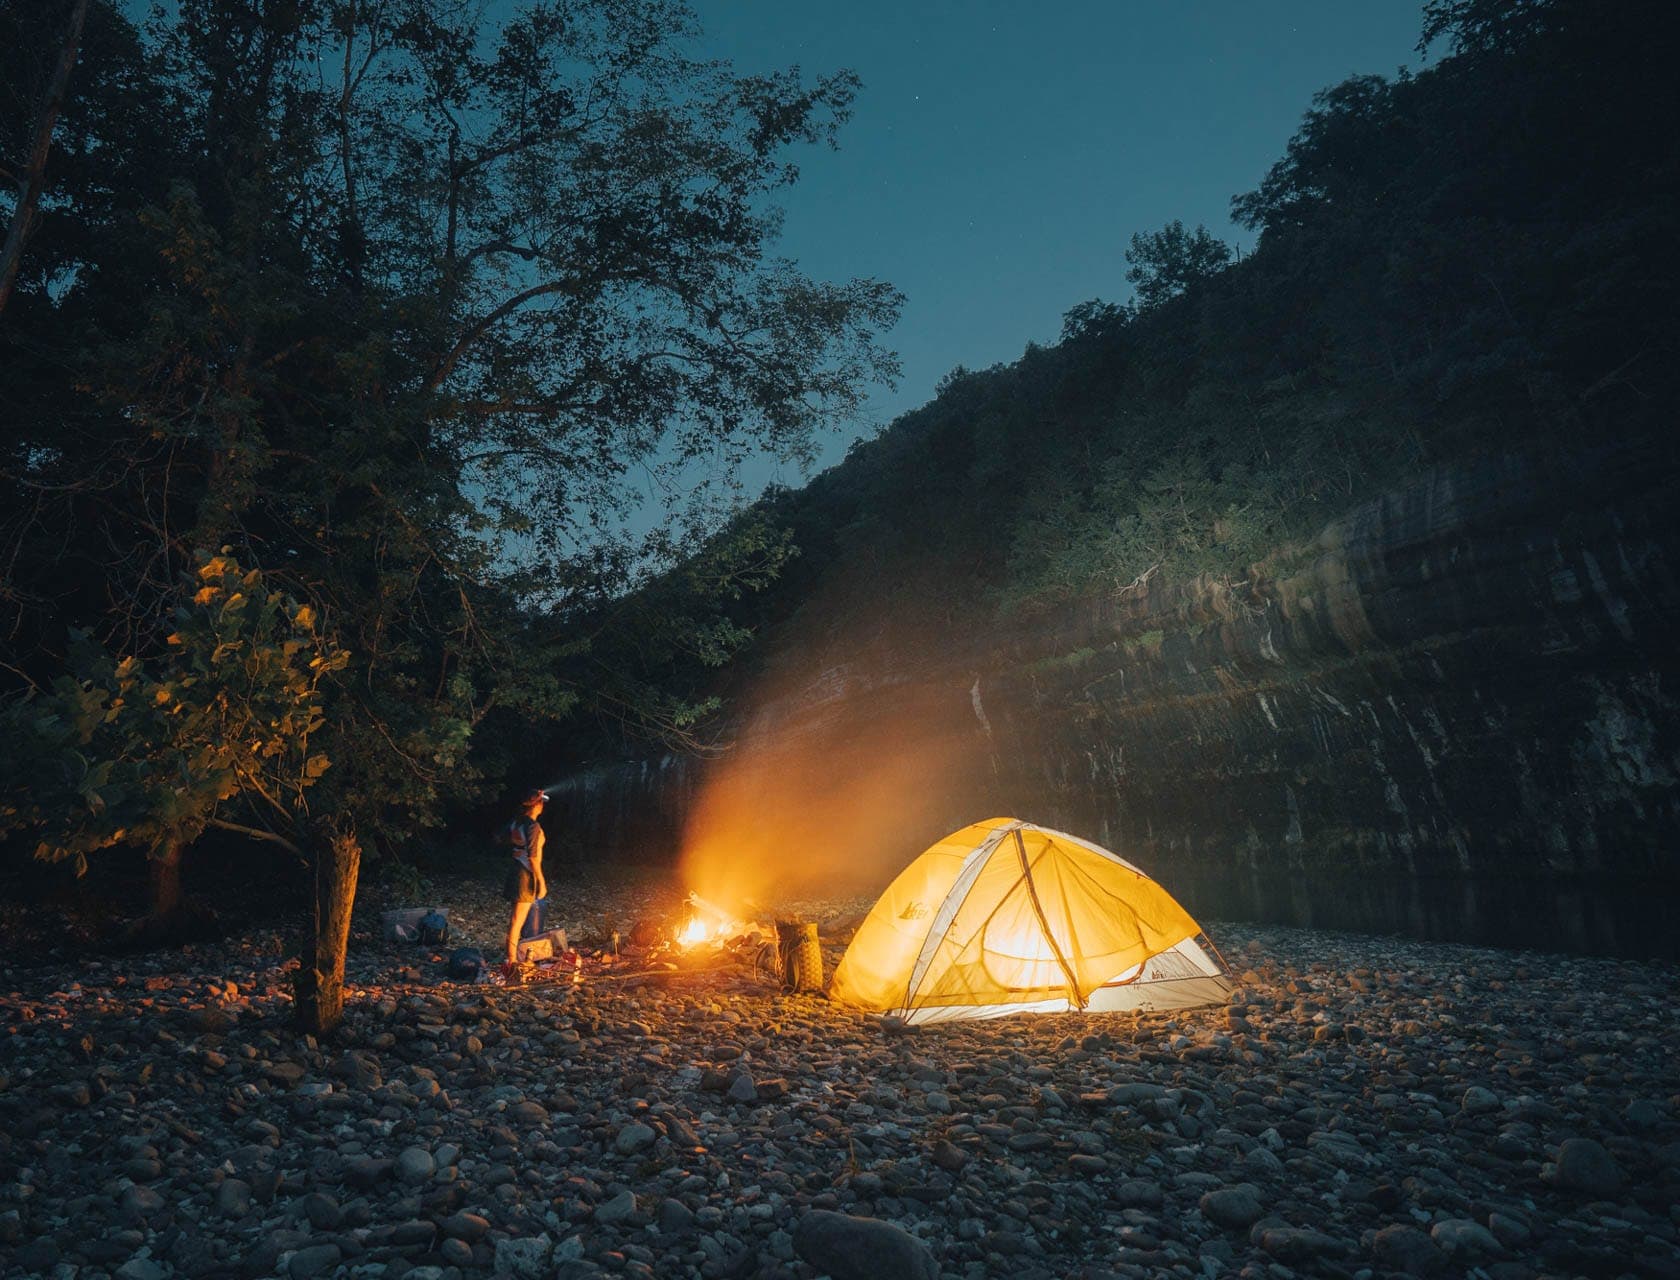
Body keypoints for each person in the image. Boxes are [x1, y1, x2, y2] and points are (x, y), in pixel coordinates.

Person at [503, 788, 548, 976]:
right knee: (517, 920)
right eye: (542, 801)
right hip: (525, 874)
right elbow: (533, 857)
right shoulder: (532, 826)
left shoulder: (516, 823)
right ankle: (512, 961)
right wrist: (541, 881)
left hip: (515, 870)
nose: (543, 805)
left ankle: (512, 958)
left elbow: (500, 837)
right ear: (537, 804)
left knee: (515, 919)